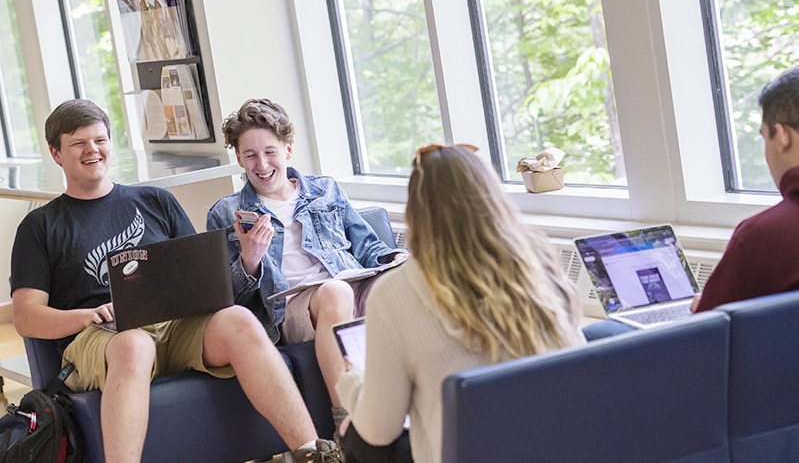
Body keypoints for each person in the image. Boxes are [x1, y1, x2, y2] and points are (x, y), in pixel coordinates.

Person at [9, 99, 342, 463]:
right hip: (101, 337)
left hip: (173, 326)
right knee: (133, 344)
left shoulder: (156, 201)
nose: (93, 150)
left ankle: (313, 452)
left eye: (100, 140)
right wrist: (88, 315)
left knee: (240, 321)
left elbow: (201, 274)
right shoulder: (40, 226)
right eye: (79, 144)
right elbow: (26, 316)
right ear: (57, 154)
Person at [333, 144, 587, 463]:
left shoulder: (394, 291)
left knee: (355, 436)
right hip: (565, 447)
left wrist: (353, 381)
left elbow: (378, 431)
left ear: (416, 212)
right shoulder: (539, 261)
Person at [206, 98, 406, 429]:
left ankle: (437, 411)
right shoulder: (226, 213)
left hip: (350, 283)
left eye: (270, 152)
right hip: (293, 307)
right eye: (251, 155)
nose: (262, 164)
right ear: (239, 158)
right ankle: (350, 426)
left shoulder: (325, 190)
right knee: (334, 293)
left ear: (287, 149)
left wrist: (397, 259)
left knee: (413, 281)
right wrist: (250, 259)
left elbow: (368, 245)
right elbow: (230, 303)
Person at [693, 66, 799, 312]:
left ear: (783, 136)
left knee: (601, 333)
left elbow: (708, 332)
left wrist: (702, 311)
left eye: (765, 137)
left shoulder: (764, 235)